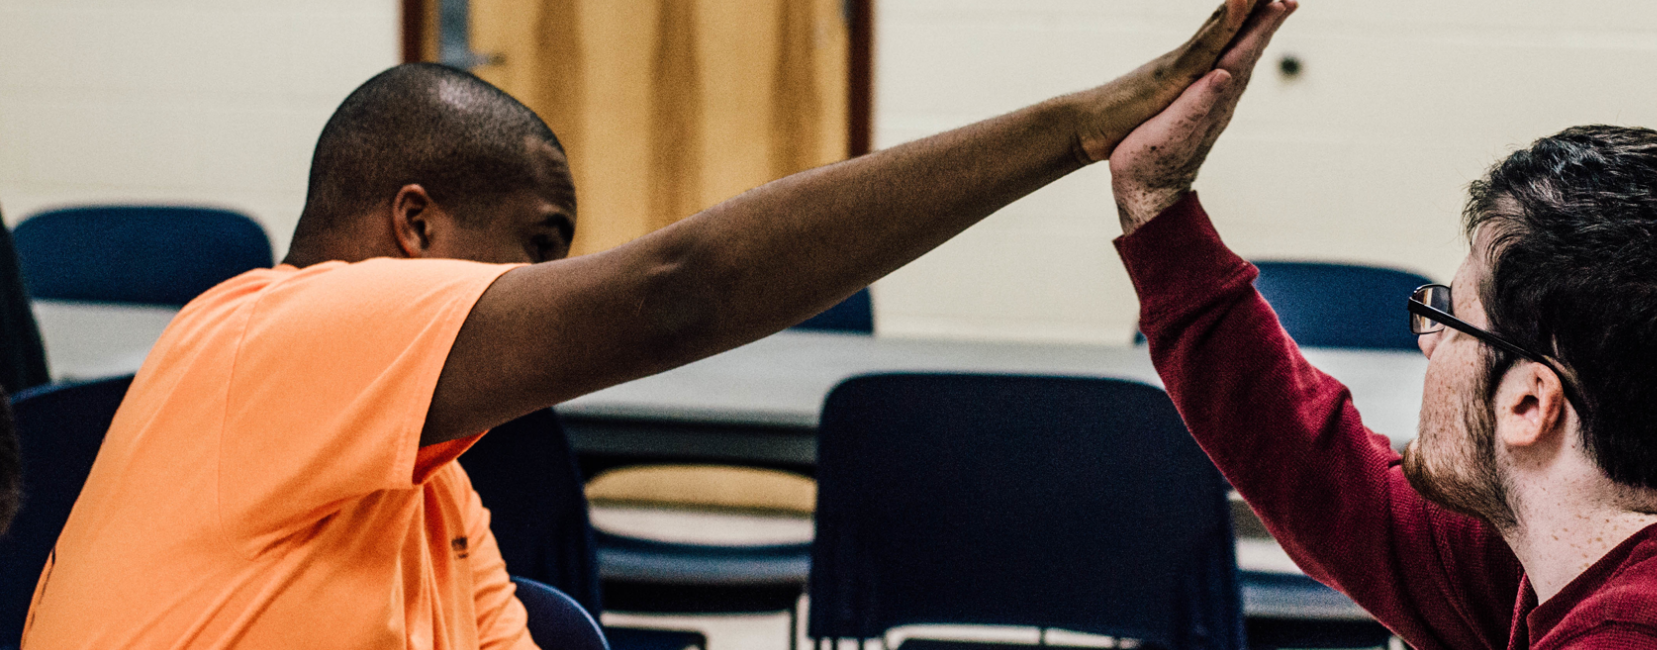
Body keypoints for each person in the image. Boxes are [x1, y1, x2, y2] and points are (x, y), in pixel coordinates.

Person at [19, 1, 1297, 648]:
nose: (544, 298)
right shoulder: (270, 332)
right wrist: (1073, 132)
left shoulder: (428, 488)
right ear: (412, 225)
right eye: (533, 254)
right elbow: (678, 287)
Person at [1103, 41, 1657, 648]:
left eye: (1450, 317)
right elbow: (1332, 483)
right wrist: (1158, 204)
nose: (1430, 345)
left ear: (1531, 401)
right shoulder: (1656, 551)